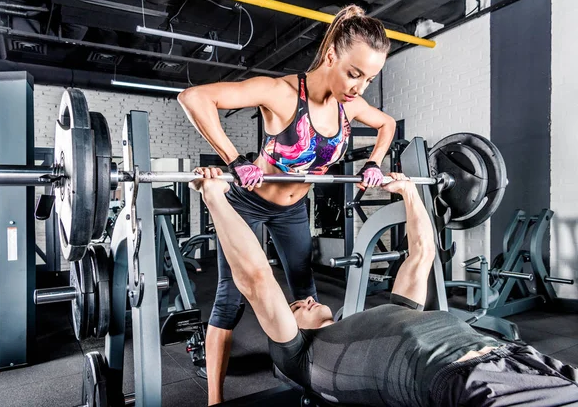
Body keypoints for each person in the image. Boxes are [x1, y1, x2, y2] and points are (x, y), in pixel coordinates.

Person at [190, 169, 578, 407]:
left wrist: (409, 193)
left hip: (525, 358)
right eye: (296, 308)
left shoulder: (388, 311)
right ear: (286, 334)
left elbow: (422, 253)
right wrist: (216, 201)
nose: (306, 298)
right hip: (466, 380)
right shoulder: (298, 355)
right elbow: (256, 278)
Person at [178, 4, 396, 404]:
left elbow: (388, 125)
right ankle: (214, 399)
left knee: (305, 290)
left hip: (294, 209)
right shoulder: (281, 93)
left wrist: (374, 163)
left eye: (369, 78)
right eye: (354, 73)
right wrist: (235, 160)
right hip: (248, 202)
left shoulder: (350, 105)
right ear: (331, 57)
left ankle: (314, 383)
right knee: (231, 297)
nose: (360, 87)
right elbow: (193, 97)